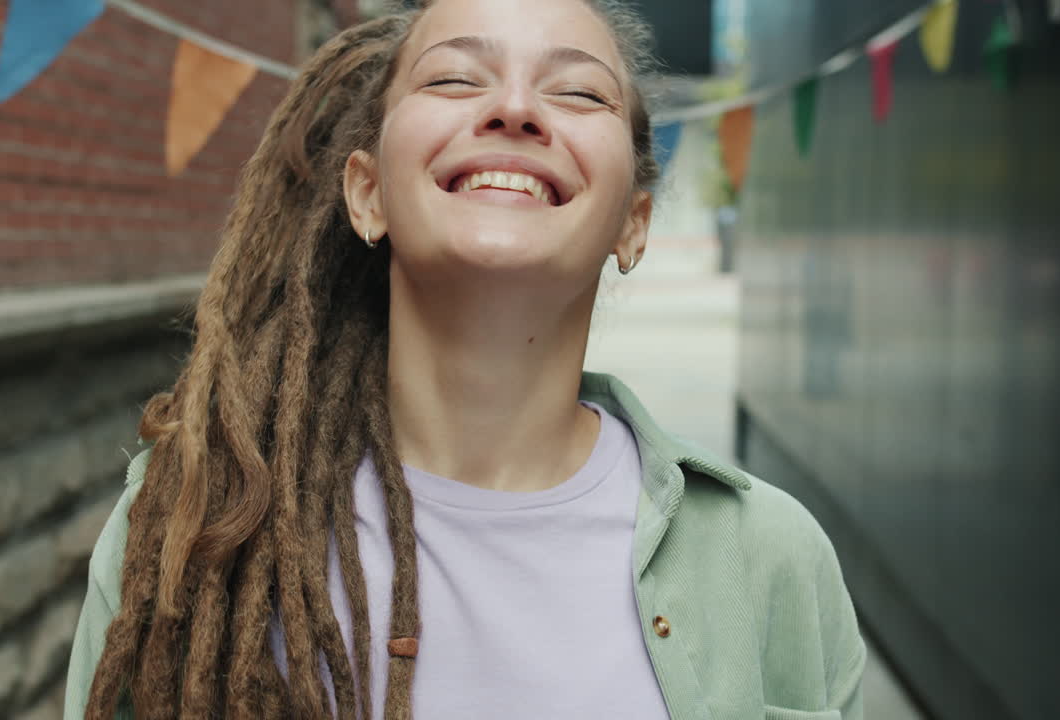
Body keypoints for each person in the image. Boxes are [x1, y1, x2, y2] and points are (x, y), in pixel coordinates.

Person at [64, 0, 866, 718]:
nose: (515, 109)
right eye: (452, 79)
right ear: (367, 194)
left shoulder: (774, 560)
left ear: (634, 223)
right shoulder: (191, 524)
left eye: (579, 92)